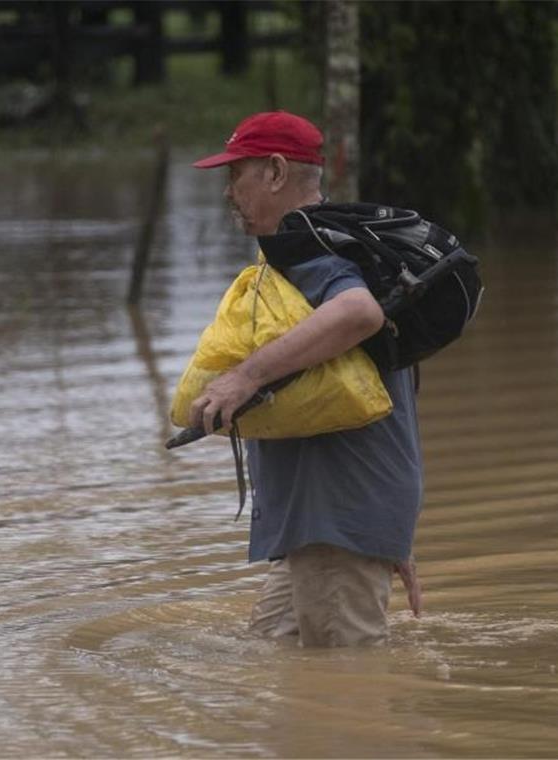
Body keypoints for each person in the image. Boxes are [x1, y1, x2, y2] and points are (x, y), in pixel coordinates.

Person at [189, 111, 424, 648]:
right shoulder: (343, 243)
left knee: (346, 695)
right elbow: (395, 384)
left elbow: (358, 313)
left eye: (236, 175)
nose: (229, 192)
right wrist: (393, 526)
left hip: (336, 517)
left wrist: (243, 378)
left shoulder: (310, 246)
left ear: (274, 172)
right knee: (272, 656)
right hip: (327, 520)